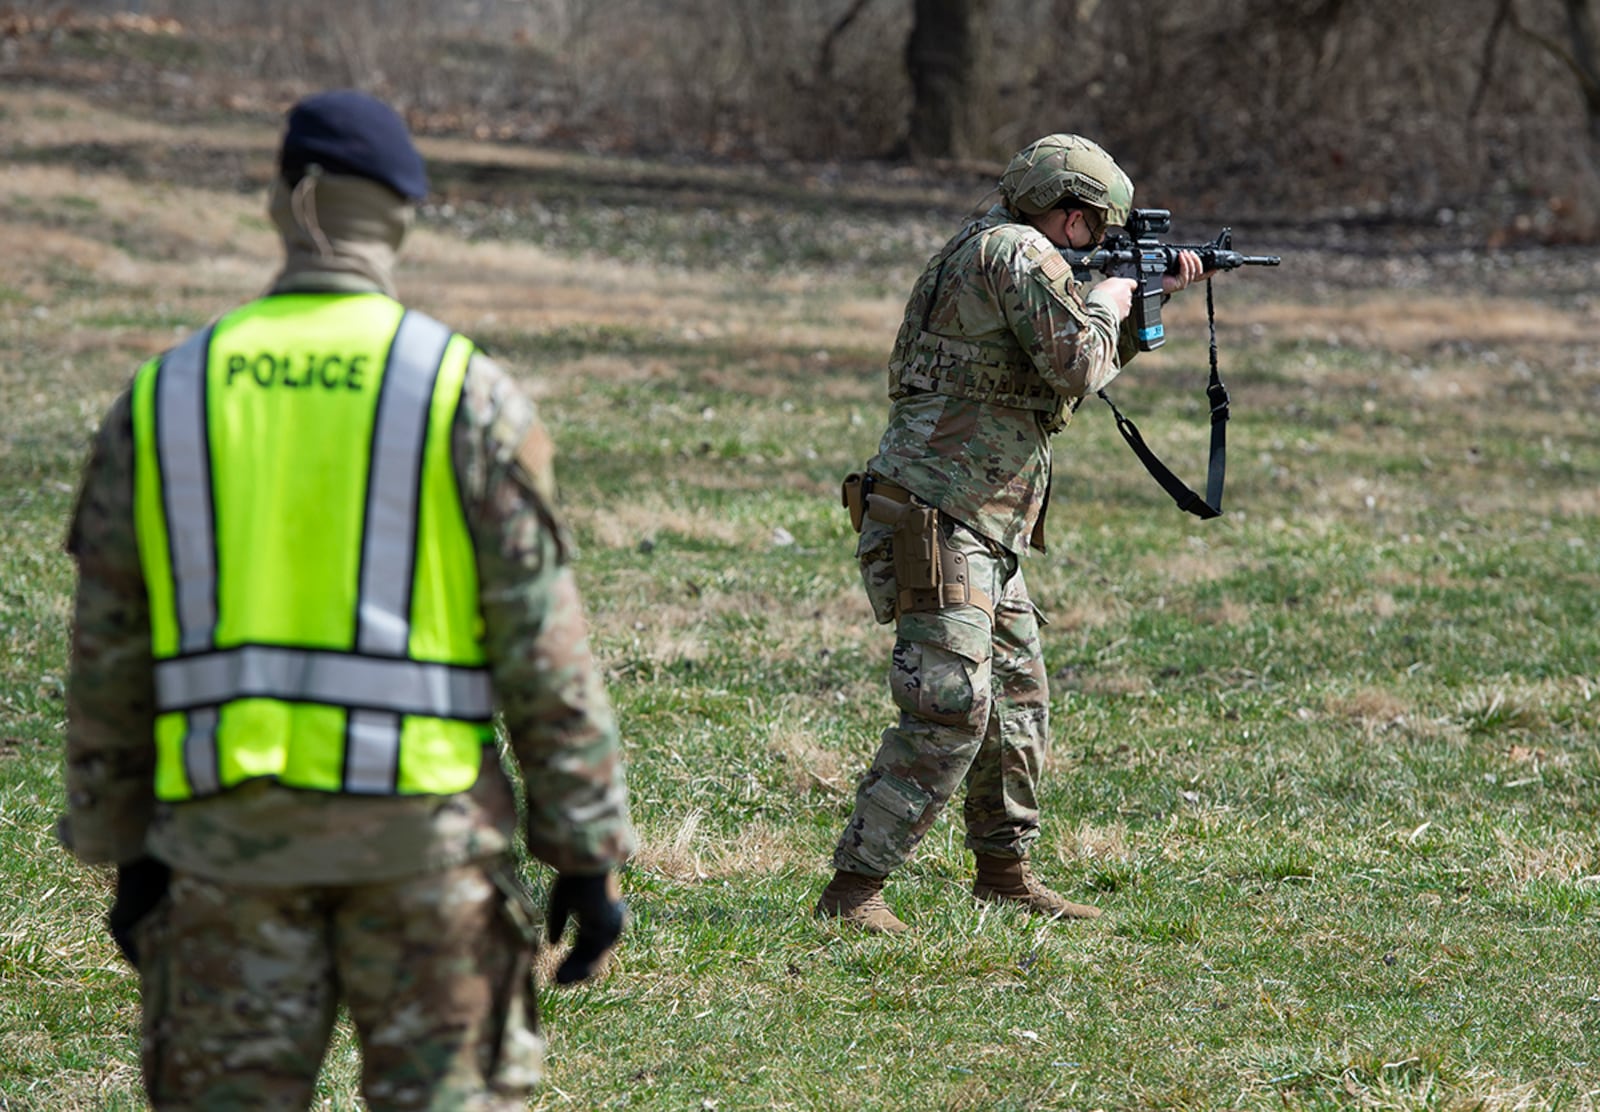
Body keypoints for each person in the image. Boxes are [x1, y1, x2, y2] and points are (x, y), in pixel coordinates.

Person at [58, 89, 636, 1109]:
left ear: (286, 203)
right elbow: (544, 652)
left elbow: (109, 652)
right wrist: (586, 851)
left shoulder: (166, 396)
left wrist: (120, 843)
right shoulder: (464, 392)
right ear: (402, 214)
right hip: (427, 847)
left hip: (222, 848)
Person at [818, 134, 1209, 933]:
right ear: (1069, 214)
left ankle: (1004, 872)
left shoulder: (1000, 243)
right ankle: (854, 890)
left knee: (1016, 703)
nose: (1099, 245)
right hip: (939, 509)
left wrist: (1143, 304)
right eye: (1099, 230)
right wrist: (1112, 302)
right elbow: (1075, 361)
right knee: (953, 703)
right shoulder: (1018, 252)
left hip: (986, 519)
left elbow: (1057, 366)